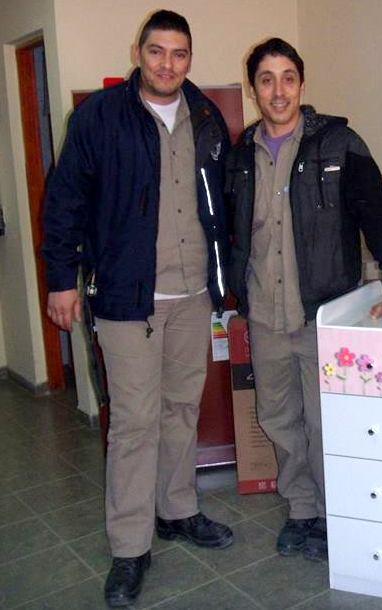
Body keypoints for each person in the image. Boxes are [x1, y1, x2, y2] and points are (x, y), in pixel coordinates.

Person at [43, 10, 233, 607]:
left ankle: (176, 511)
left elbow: (222, 204)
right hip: (128, 299)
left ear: (188, 59)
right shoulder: (99, 118)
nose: (167, 64)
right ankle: (129, 548)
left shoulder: (207, 118)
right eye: (157, 52)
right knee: (132, 425)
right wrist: (60, 279)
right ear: (139, 51)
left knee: (181, 409)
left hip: (193, 293)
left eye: (179, 54)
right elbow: (64, 201)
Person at [226, 38, 382, 562]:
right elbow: (230, 230)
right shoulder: (242, 153)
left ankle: (338, 516)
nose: (278, 90)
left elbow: (379, 214)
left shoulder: (339, 143)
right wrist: (230, 290)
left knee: (326, 421)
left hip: (324, 315)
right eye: (266, 79)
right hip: (264, 314)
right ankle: (302, 510)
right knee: (279, 418)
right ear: (254, 88)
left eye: (288, 77)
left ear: (301, 85)